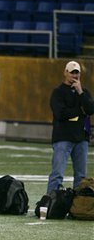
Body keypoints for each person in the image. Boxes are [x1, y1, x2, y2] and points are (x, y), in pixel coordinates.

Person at [47, 61, 94, 193]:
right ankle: (51, 203)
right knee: (57, 174)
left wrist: (80, 92)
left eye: (76, 72)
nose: (74, 75)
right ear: (65, 73)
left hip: (81, 139)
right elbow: (60, 113)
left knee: (81, 177)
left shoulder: (84, 92)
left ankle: (78, 207)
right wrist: (80, 111)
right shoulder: (58, 92)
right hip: (63, 137)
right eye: (72, 72)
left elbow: (90, 109)